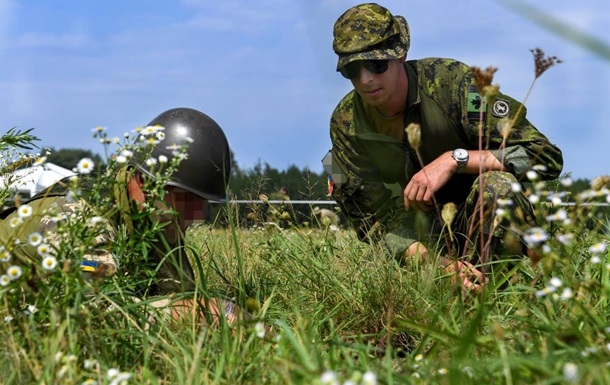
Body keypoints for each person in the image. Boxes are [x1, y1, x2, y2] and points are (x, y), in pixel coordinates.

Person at [323, 3, 563, 290]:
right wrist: (440, 265)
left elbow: (546, 157)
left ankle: (489, 300)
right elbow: (373, 225)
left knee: (498, 186)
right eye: (351, 69)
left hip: (476, 225)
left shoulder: (452, 84)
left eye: (377, 64)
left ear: (401, 55)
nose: (365, 80)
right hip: (413, 244)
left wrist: (456, 160)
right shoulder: (345, 123)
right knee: (369, 278)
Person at [0, 107, 243, 325]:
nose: (198, 214)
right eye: (188, 200)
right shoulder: (81, 219)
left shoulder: (154, 217)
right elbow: (96, 318)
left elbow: (182, 294)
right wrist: (195, 312)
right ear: (142, 183)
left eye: (203, 203)